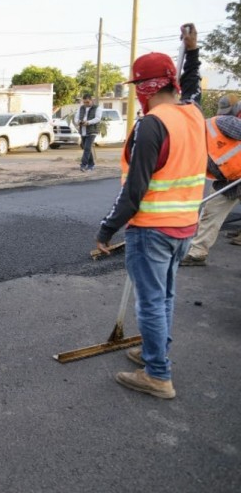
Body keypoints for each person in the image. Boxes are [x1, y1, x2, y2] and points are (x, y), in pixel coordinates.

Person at [96, 23, 207, 400]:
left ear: (144, 89)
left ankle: (158, 374)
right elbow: (190, 83)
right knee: (165, 296)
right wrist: (191, 51)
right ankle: (152, 351)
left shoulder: (151, 126)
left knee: (150, 302)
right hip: (185, 226)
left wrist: (105, 230)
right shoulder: (192, 113)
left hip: (152, 229)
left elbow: (134, 190)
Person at [180, 93, 241, 265]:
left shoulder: (222, 122)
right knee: (210, 215)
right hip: (226, 182)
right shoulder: (190, 138)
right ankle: (197, 254)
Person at [76, 93, 102, 171]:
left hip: (92, 131)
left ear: (91, 100)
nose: (86, 104)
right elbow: (76, 117)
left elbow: (98, 118)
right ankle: (91, 164)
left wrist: (88, 122)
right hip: (83, 131)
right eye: (84, 102)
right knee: (86, 148)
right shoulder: (81, 108)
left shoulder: (97, 108)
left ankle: (83, 165)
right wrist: (79, 122)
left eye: (87, 102)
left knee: (87, 148)